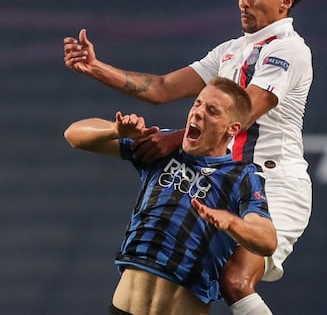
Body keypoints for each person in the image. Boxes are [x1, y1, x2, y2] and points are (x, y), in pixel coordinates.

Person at [64, 0, 313, 315]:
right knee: (184, 263)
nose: (244, 1)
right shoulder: (230, 51)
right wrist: (96, 67)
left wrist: (176, 137)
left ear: (285, 1)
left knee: (234, 280)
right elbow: (162, 87)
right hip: (218, 175)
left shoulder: (289, 49)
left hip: (271, 178)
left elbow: (244, 110)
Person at [64, 77, 277, 315]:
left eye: (212, 111)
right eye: (197, 104)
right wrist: (113, 131)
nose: (197, 113)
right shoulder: (162, 149)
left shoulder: (241, 177)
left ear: (232, 129)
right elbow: (74, 135)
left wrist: (231, 222)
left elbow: (267, 241)